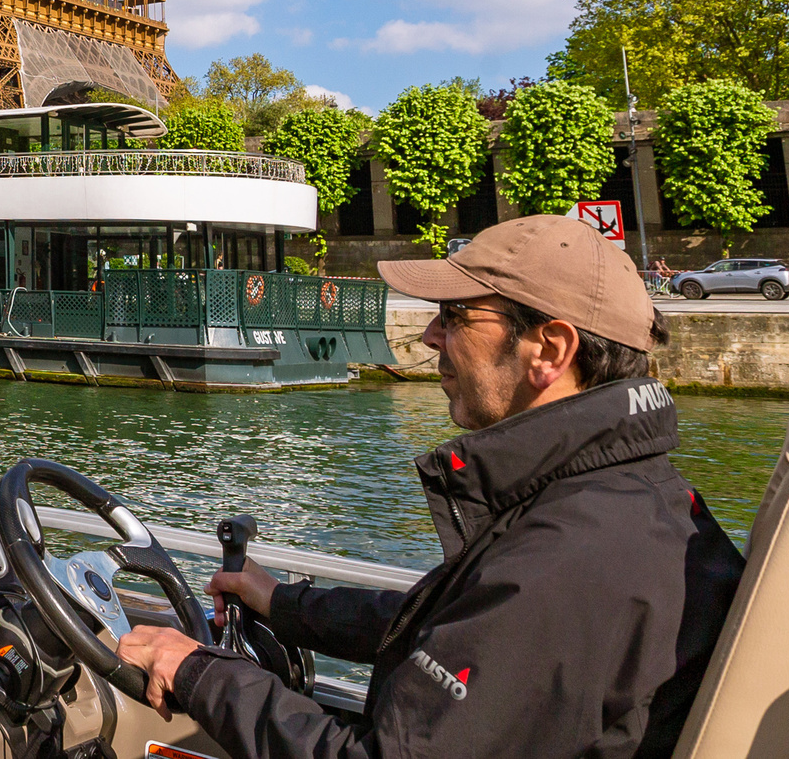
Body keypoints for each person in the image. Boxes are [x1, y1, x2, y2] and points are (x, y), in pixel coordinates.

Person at [115, 215, 746, 759]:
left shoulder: (570, 558)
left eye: (455, 315)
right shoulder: (624, 498)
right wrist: (283, 603)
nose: (429, 336)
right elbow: (467, 628)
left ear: (549, 349)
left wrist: (195, 670)